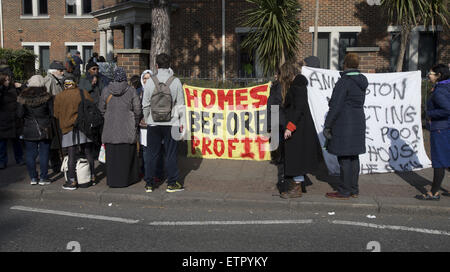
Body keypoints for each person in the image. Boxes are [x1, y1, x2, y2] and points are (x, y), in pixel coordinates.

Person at [281, 57, 328, 198]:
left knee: (296, 156)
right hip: (298, 126)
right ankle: (297, 185)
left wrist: (290, 127)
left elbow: (298, 108)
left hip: (298, 127)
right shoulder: (298, 84)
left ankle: (296, 188)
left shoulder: (298, 85)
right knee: (296, 156)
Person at [323, 53, 368, 200]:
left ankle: (344, 190)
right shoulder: (361, 81)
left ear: (345, 64)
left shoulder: (344, 81)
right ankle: (354, 189)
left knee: (344, 159)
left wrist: (327, 125)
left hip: (344, 123)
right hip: (358, 121)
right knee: (354, 157)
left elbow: (335, 106)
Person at [142, 53, 185, 193]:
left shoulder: (150, 81)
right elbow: (180, 105)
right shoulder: (176, 81)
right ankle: (172, 183)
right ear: (169, 65)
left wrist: (148, 118)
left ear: (157, 65)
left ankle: (149, 183)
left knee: (151, 153)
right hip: (171, 123)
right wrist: (181, 123)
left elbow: (145, 104)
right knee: (171, 154)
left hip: (153, 123)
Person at [99, 67, 141, 188]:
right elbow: (137, 109)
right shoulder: (131, 91)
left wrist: (107, 117)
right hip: (127, 129)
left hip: (110, 128)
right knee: (127, 156)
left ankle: (113, 180)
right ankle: (127, 179)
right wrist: (135, 121)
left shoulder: (106, 90)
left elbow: (101, 109)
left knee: (112, 157)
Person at [53, 75, 97, 190]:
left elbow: (56, 114)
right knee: (88, 151)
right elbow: (91, 105)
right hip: (83, 126)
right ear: (75, 82)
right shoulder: (83, 92)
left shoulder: (59, 96)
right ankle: (92, 177)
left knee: (71, 153)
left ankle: (72, 181)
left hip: (68, 128)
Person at [415, 64, 450, 200]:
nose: (429, 75)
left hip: (440, 129)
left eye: (431, 73)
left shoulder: (440, 90)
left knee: (439, 161)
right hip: (446, 127)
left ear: (439, 75)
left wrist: (430, 113)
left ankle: (433, 192)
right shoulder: (445, 87)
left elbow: (447, 109)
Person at [16, 75, 53, 185]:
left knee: (30, 154)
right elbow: (52, 113)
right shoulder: (47, 97)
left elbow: (19, 114)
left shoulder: (23, 97)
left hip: (28, 128)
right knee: (44, 153)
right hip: (44, 128)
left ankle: (33, 177)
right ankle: (43, 177)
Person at [44, 60, 65, 172]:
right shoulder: (49, 80)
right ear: (54, 71)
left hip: (56, 114)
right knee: (54, 141)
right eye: (61, 71)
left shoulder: (56, 80)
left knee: (57, 140)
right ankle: (55, 163)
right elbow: (46, 97)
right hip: (52, 115)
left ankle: (56, 163)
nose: (62, 73)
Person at [0, 72, 24, 170]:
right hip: (3, 120)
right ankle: (2, 161)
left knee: (16, 141)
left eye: (8, 79)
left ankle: (19, 158)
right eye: (5, 80)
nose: (8, 81)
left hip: (14, 119)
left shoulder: (14, 89)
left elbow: (23, 97)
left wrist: (21, 87)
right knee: (2, 144)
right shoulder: (1, 91)